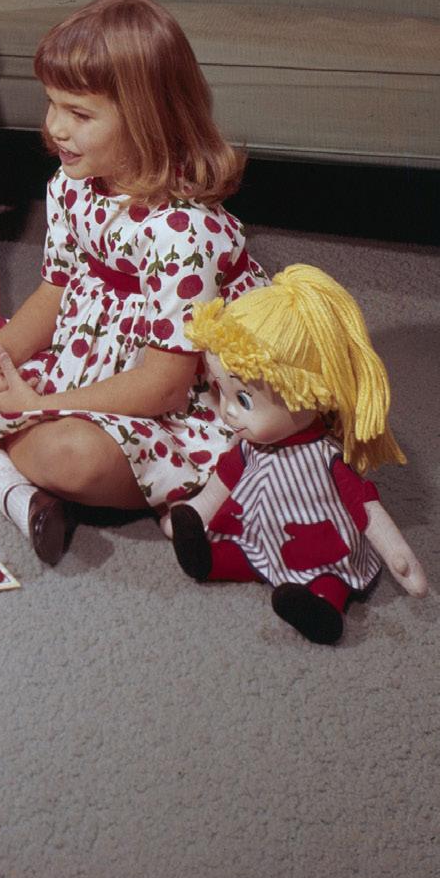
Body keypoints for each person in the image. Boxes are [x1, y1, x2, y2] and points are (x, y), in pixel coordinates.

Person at [0, 0, 265, 565]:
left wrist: (41, 406)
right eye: (52, 104)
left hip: (164, 407)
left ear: (147, 119)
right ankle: (14, 489)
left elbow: (165, 386)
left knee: (68, 456)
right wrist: (1, 352)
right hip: (82, 367)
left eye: (79, 114)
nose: (55, 128)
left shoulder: (183, 232)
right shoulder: (72, 184)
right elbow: (56, 289)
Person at [170, 265, 427, 643]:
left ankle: (322, 609)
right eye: (222, 393)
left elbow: (365, 508)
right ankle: (207, 561)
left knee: (327, 576)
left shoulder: (327, 460)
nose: (227, 412)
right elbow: (222, 481)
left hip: (315, 545)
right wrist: (196, 511)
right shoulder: (249, 447)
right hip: (262, 530)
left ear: (305, 394)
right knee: (241, 548)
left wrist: (400, 559)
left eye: (244, 400)